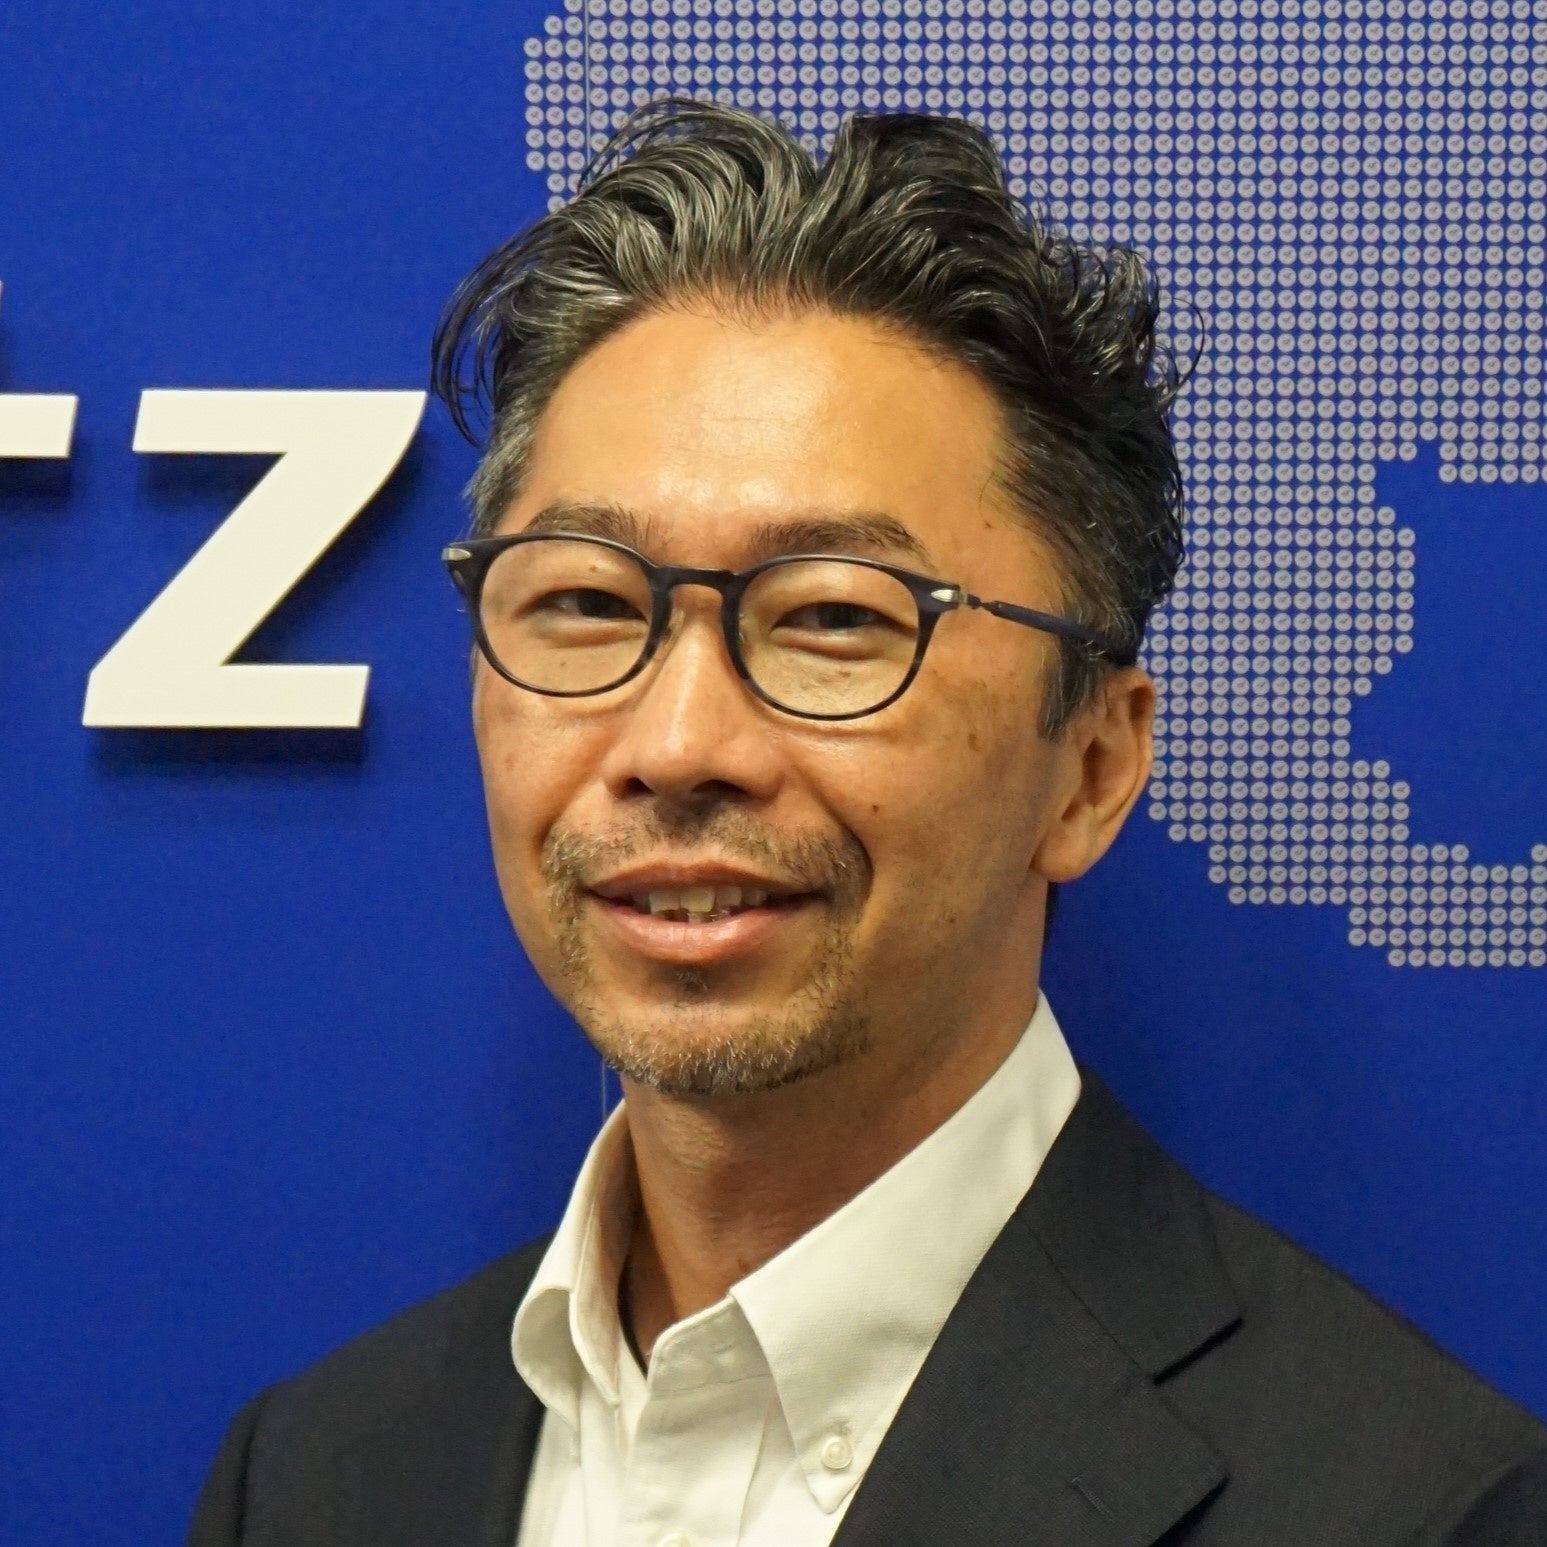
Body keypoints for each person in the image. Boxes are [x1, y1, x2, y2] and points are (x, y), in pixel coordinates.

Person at [188, 99, 1547, 1547]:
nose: (676, 745)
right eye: (584, 602)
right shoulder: (314, 1474)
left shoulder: (1424, 1510)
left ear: (1090, 768)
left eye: (834, 619)